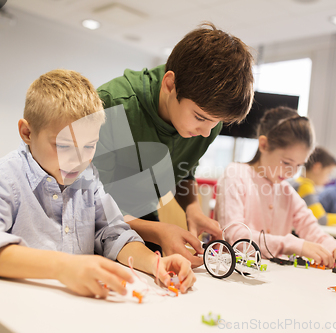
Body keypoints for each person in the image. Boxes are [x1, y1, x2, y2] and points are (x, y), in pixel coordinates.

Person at [0, 70, 195, 333]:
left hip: (67, 320)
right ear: (27, 132)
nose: (78, 161)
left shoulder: (88, 178)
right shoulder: (3, 178)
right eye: (64, 146)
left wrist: (155, 264)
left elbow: (114, 234)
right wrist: (63, 266)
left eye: (89, 146)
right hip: (4, 324)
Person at [96, 22, 254, 267]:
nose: (206, 132)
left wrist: (192, 209)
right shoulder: (112, 106)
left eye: (216, 123)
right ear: (170, 84)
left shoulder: (207, 123)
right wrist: (158, 231)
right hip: (92, 229)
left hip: (145, 222)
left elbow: (182, 171)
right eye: (200, 118)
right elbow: (85, 204)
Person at [214, 107, 336, 268]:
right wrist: (293, 245)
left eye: (299, 165)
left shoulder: (285, 190)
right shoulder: (236, 174)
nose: (292, 172)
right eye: (287, 163)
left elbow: (312, 230)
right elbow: (234, 236)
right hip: (231, 274)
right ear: (264, 145)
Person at [289, 146, 336, 226]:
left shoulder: (296, 182)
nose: (328, 179)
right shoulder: (304, 186)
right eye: (328, 173)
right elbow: (321, 219)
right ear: (317, 168)